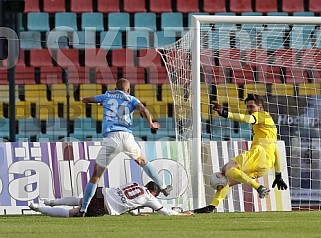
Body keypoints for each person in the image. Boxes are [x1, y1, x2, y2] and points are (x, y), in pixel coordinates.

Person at [78, 78, 172, 217]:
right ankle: (163, 187)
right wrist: (151, 123)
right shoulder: (131, 99)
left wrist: (101, 102)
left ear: (115, 87)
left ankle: (83, 210)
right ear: (128, 90)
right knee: (143, 162)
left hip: (111, 138)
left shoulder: (107, 96)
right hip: (127, 137)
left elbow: (85, 99)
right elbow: (144, 109)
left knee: (96, 176)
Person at [194, 94, 288, 213]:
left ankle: (259, 188)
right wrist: (278, 175)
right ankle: (212, 207)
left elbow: (247, 119)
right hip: (266, 166)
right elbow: (275, 150)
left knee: (226, 168)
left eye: (251, 107)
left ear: (260, 107)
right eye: (247, 107)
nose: (249, 110)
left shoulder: (261, 115)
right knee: (226, 180)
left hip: (259, 155)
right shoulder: (268, 126)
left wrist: (225, 113)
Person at [29, 181, 193, 217]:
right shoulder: (149, 197)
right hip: (105, 205)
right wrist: (184, 214)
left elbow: (126, 201)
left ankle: (50, 201)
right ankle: (38, 208)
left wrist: (135, 214)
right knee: (74, 212)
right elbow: (165, 212)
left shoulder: (135, 184)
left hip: (102, 192)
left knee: (80, 200)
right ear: (154, 192)